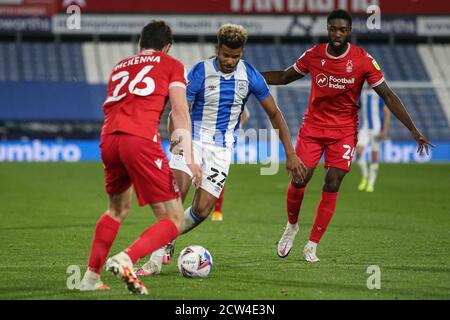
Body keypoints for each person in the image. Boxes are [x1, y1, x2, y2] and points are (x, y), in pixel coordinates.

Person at [261, 9, 433, 262]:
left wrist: (414, 130)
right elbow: (285, 77)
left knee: (332, 181)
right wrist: (251, 76)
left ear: (349, 31)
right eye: (333, 29)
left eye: (342, 30)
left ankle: (312, 244)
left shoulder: (363, 60)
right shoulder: (314, 54)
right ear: (328, 28)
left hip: (343, 133)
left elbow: (388, 95)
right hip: (313, 129)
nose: (337, 34)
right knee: (299, 180)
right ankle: (291, 227)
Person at [135, 23, 306, 277]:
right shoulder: (200, 71)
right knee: (176, 194)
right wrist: (177, 135)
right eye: (226, 55)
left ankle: (169, 236)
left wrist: (290, 153)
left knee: (203, 210)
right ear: (218, 49)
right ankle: (154, 260)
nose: (230, 61)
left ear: (242, 53)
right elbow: (179, 108)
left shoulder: (249, 75)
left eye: (235, 56)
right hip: (192, 140)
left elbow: (274, 113)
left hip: (222, 150)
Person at [78, 20, 202, 294]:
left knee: (117, 209)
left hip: (109, 139)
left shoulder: (120, 66)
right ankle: (126, 259)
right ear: (167, 47)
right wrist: (190, 154)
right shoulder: (172, 65)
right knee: (173, 219)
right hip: (140, 140)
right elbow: (180, 111)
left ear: (140, 43)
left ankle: (90, 279)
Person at [211, 105, 251, 222]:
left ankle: (217, 211)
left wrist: (238, 126)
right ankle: (210, 209)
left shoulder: (232, 97)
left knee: (218, 174)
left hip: (222, 141)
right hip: (208, 138)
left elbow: (246, 113)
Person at [355, 86, 391, 192]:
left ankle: (371, 183)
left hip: (376, 129)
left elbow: (386, 112)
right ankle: (365, 177)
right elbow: (357, 108)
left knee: (374, 156)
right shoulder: (363, 94)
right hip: (365, 129)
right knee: (358, 152)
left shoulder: (380, 94)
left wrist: (384, 130)